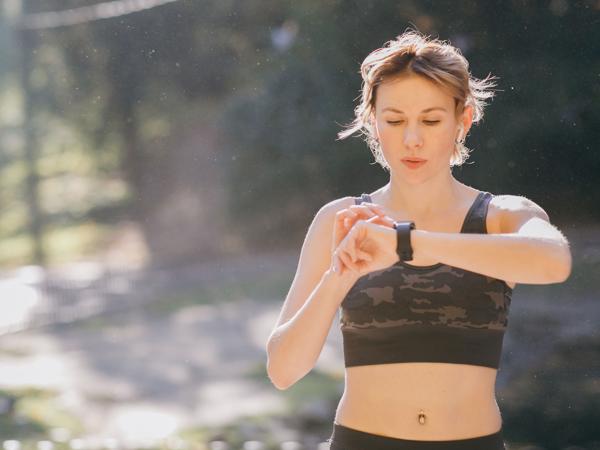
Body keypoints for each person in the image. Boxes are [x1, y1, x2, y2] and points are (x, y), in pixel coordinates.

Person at [265, 28, 572, 450]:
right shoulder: (339, 219)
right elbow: (284, 371)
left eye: (430, 120)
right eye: (394, 121)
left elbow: (555, 260)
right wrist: (340, 274)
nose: (412, 139)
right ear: (373, 122)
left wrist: (407, 243)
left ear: (463, 120)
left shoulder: (500, 215)